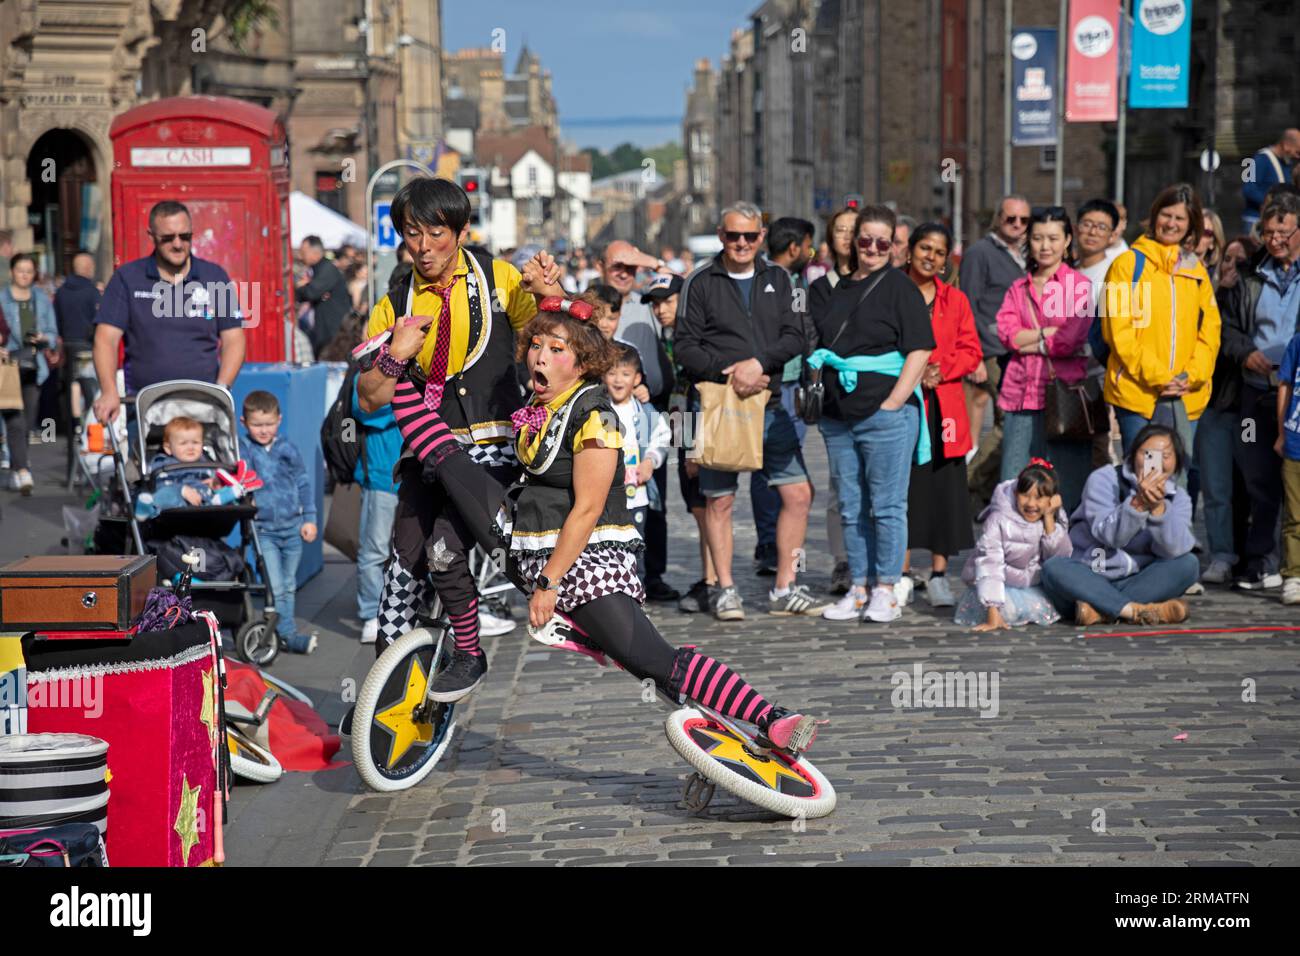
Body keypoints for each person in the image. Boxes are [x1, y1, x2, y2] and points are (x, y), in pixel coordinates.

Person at [379, 296, 823, 752]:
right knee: (449, 475)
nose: (541, 356)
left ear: (583, 362)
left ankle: (771, 717)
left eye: (556, 349)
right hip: (528, 542)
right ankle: (470, 652)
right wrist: (399, 360)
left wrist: (550, 583)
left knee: (652, 660)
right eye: (536, 345)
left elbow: (587, 510)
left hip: (583, 566)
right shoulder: (540, 400)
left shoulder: (595, 416)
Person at [355, 176, 548, 696]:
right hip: (428, 452)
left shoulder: (500, 278)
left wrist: (551, 293)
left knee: (444, 552)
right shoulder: (394, 300)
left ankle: (469, 651)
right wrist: (396, 354)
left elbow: (554, 340)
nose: (422, 247)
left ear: (460, 231)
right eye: (411, 234)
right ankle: (389, 693)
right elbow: (368, 397)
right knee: (400, 573)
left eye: (434, 232)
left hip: (496, 450)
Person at [675, 201, 826, 620]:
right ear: (721, 236)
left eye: (749, 236)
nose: (740, 243)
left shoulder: (787, 280)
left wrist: (759, 365)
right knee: (719, 501)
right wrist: (730, 375)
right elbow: (685, 345)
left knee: (798, 494)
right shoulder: (699, 281)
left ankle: (786, 585)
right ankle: (725, 588)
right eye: (732, 235)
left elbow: (796, 335)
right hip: (721, 408)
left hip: (772, 404)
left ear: (762, 237)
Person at [808, 204, 934, 623]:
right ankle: (858, 586)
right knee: (850, 504)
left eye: (885, 241)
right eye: (867, 240)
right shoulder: (838, 288)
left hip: (884, 414)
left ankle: (885, 587)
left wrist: (895, 401)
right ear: (854, 242)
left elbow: (920, 348)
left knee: (886, 505)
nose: (875, 248)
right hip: (838, 415)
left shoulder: (900, 287)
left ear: (894, 246)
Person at [92, 201, 246, 438]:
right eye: (168, 237)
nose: (177, 244)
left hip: (204, 407)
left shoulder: (214, 276)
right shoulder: (128, 278)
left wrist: (221, 390)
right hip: (146, 407)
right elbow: (105, 340)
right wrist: (109, 391)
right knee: (144, 474)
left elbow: (234, 338)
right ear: (151, 236)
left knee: (208, 475)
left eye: (185, 236)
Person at [1100, 183, 1221, 465]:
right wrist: (1158, 376)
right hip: (1137, 396)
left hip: (1185, 397)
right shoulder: (1127, 264)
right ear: (1155, 216)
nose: (1171, 223)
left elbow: (1210, 332)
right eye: (1166, 215)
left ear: (1191, 224)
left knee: (1178, 482)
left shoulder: (1196, 269)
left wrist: (1190, 376)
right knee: (1145, 480)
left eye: (1180, 218)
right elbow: (1117, 331)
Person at [1219, 189, 1300, 590]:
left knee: (1295, 480)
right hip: (1256, 393)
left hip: (1297, 397)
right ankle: (1260, 560)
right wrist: (1245, 351)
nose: (1275, 239)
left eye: (1283, 231)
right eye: (1268, 232)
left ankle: (1294, 565)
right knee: (1258, 476)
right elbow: (1227, 327)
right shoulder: (1249, 277)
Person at [1041, 424, 1199, 625]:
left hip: (1136, 579)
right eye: (1148, 454)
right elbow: (1108, 536)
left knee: (1188, 564)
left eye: (1165, 456)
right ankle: (1135, 610)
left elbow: (1175, 550)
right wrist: (1138, 505)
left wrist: (1159, 510)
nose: (1155, 462)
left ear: (1177, 462)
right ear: (1133, 455)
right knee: (1054, 567)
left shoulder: (1179, 497)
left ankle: (1103, 610)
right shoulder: (1105, 478)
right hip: (1090, 574)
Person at [900, 223, 981, 607]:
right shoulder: (892, 293)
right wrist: (914, 372)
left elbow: (971, 350)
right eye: (924, 248)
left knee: (944, 491)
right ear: (910, 250)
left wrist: (940, 369)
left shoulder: (956, 300)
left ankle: (937, 574)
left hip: (944, 406)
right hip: (902, 402)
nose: (930, 256)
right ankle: (899, 574)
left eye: (938, 251)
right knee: (901, 489)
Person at [996, 206, 1094, 511]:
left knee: (1066, 483)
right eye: (1038, 238)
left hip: (1064, 396)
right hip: (1020, 393)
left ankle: (1064, 549)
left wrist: (1030, 340)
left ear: (1067, 241)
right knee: (1013, 482)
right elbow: (1006, 334)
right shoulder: (1017, 288)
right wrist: (1047, 334)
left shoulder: (1078, 286)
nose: (1045, 246)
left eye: (1053, 238)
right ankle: (1014, 549)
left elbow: (1070, 340)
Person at [596, 240, 677, 601]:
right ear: (600, 266)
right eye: (617, 265)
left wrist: (648, 260)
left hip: (646, 412)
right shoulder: (594, 307)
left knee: (652, 501)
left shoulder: (647, 301)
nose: (624, 272)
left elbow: (683, 287)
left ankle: (651, 576)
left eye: (630, 267)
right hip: (609, 420)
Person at [643, 273, 716, 613]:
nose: (660, 309)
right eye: (655, 304)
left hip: (699, 424)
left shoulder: (695, 335)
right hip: (682, 423)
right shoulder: (669, 334)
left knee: (704, 502)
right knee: (697, 503)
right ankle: (711, 577)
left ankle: (713, 580)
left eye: (668, 301)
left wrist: (697, 445)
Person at [752, 216, 816, 577]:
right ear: (795, 247)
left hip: (791, 384)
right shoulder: (777, 281)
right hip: (778, 385)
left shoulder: (794, 279)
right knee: (775, 473)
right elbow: (801, 331)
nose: (810, 252)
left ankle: (777, 546)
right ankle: (771, 547)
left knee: (779, 474)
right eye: (808, 245)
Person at [1197, 234, 1262, 586]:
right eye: (1226, 260)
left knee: (1252, 483)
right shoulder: (1211, 296)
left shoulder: (1258, 298)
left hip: (1250, 408)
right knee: (1217, 485)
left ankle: (1255, 555)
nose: (1231, 267)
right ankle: (1221, 553)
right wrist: (1219, 292)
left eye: (1240, 262)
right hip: (1217, 405)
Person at [240, 391, 318, 654]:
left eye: (269, 424)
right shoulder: (245, 449)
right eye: (257, 425)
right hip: (265, 531)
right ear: (244, 422)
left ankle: (279, 629)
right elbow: (240, 478)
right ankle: (286, 634)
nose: (263, 430)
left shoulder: (287, 448)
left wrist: (309, 519)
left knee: (288, 584)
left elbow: (303, 483)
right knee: (277, 585)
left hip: (292, 528)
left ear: (279, 420)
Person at [957, 195, 1030, 471]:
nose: (1017, 224)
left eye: (1024, 220)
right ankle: (971, 486)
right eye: (1011, 218)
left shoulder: (1026, 253)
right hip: (992, 348)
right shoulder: (980, 253)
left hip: (1019, 348)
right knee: (1008, 420)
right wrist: (974, 355)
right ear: (998, 219)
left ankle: (984, 491)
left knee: (1014, 421)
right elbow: (967, 305)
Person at [955, 459, 1072, 630]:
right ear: (1016, 493)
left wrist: (1049, 518)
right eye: (1025, 496)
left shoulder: (1051, 517)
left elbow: (1060, 559)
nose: (1031, 504)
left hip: (1033, 586)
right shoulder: (998, 520)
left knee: (1062, 607)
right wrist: (993, 610)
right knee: (1007, 611)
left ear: (1052, 499)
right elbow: (990, 564)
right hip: (997, 588)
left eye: (1039, 498)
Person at [809, 207, 859, 594]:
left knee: (879, 485)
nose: (847, 237)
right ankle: (843, 559)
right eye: (839, 230)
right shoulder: (821, 287)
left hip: (878, 394)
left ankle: (877, 559)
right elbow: (818, 336)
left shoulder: (882, 281)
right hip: (836, 395)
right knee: (840, 483)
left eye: (853, 230)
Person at [604, 344, 671, 581]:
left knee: (635, 551)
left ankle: (636, 599)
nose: (618, 380)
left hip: (637, 497)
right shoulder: (598, 409)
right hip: (604, 497)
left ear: (637, 378)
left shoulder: (644, 411)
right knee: (608, 552)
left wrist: (651, 461)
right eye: (612, 373)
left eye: (625, 374)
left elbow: (662, 436)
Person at [0, 253, 60, 494]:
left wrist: (45, 338)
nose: (24, 275)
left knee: (29, 420)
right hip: (9, 363)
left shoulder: (41, 299)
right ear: (12, 271)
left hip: (34, 364)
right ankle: (23, 469)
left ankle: (17, 467)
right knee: (13, 416)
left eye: (29, 270)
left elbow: (53, 332)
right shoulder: (2, 298)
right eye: (20, 270)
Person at [352, 369, 404, 645]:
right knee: (374, 550)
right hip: (381, 478)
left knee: (418, 549)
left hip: (416, 477)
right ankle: (372, 613)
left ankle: (408, 607)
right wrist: (404, 401)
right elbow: (365, 410)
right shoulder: (367, 374)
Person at [297, 236, 352, 359]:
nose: (300, 256)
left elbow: (311, 292)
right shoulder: (317, 270)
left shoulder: (327, 269)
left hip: (333, 333)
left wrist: (302, 287)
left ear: (315, 252)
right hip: (324, 331)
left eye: (303, 252)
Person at [1276, 323, 1300, 605]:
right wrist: (1282, 433)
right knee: (1294, 515)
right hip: (1295, 443)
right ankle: (1293, 575)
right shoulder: (1296, 343)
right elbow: (1284, 385)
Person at [1242, 128, 1300, 234]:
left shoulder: (1286, 164)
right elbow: (1248, 189)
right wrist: (1271, 202)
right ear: (1286, 145)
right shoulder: (1259, 159)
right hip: (1255, 220)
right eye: (1297, 152)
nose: (1297, 157)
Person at [1198, 209, 1226, 285]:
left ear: (1213, 243)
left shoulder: (1217, 276)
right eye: (1196, 229)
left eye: (1205, 233)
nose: (1198, 235)